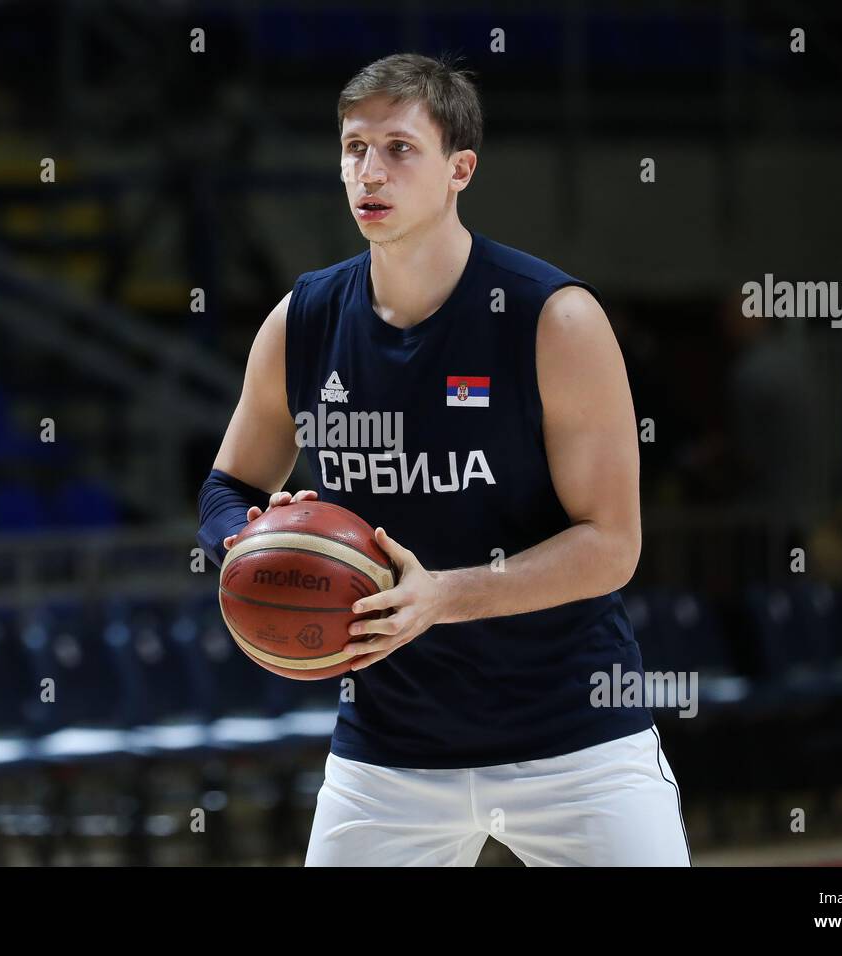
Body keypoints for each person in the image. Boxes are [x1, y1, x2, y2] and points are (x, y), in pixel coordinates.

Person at [196, 53, 689, 866]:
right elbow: (228, 486)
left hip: (571, 736)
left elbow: (612, 544)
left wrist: (442, 597)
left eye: (398, 148)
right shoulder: (303, 320)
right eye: (355, 148)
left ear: (460, 167)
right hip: (388, 750)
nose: (369, 171)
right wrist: (244, 540)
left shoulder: (553, 321)